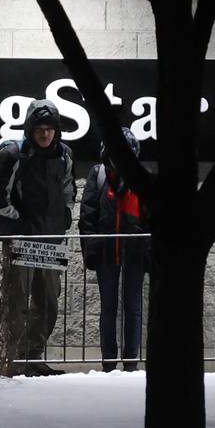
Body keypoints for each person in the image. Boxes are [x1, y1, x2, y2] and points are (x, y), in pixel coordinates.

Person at [0, 98, 76, 376]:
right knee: (16, 302)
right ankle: (15, 361)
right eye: (39, 128)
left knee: (48, 303)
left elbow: (68, 191)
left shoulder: (64, 154)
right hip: (20, 241)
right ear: (29, 128)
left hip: (50, 241)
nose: (45, 133)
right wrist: (21, 221)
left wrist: (64, 217)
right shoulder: (12, 153)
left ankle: (33, 358)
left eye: (49, 128)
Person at [79, 128, 149, 372]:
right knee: (108, 308)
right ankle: (108, 362)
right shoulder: (98, 176)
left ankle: (131, 363)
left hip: (134, 255)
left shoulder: (142, 179)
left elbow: (149, 217)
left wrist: (149, 253)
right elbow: (87, 216)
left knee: (133, 309)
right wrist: (91, 250)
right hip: (107, 254)